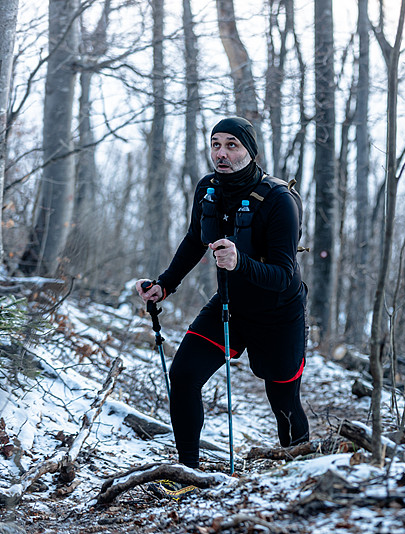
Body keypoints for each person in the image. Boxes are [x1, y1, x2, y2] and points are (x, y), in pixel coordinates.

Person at [136, 117, 309, 470]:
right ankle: (187, 470)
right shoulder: (207, 188)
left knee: (284, 401)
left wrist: (239, 262)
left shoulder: (279, 201)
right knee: (183, 375)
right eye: (216, 144)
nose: (222, 153)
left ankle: (301, 472)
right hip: (231, 304)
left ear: (250, 151)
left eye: (232, 144)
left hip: (279, 312)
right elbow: (194, 240)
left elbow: (282, 275)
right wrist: (164, 284)